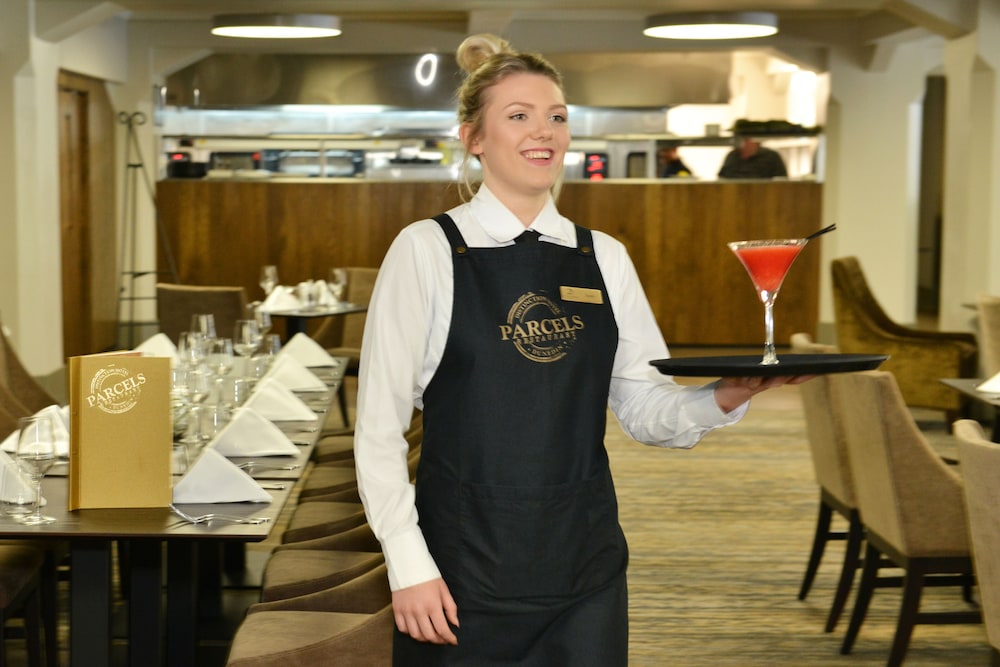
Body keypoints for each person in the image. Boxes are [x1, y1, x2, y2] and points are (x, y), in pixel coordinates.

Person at [354, 33, 808, 666]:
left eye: (557, 117)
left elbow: (645, 410)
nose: (544, 131)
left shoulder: (604, 257)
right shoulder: (425, 250)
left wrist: (726, 395)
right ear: (473, 138)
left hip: (585, 567)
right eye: (519, 116)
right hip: (459, 572)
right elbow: (378, 430)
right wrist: (408, 564)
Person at [718, 135, 788, 179]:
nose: (743, 143)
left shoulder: (770, 156)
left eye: (747, 140)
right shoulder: (732, 156)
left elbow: (781, 180)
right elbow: (722, 178)